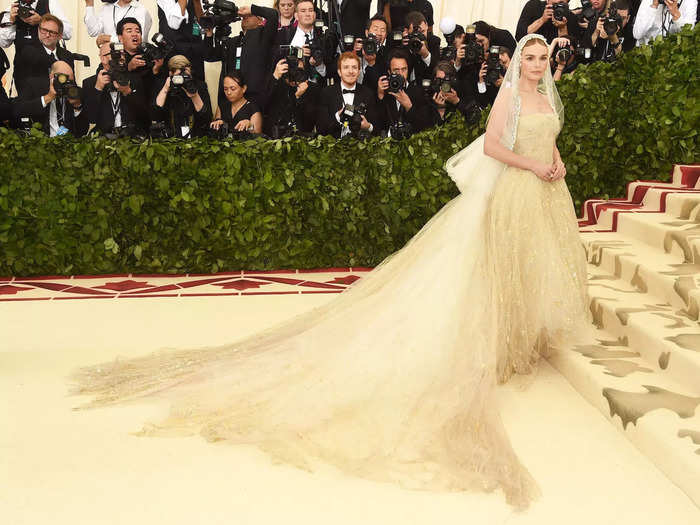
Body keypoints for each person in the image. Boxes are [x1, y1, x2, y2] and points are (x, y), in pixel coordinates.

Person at [70, 34, 589, 510]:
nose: (536, 65)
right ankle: (499, 343)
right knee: (498, 266)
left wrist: (556, 162)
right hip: (519, 188)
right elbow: (495, 146)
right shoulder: (511, 98)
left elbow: (549, 138)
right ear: (520, 60)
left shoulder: (547, 97)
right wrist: (533, 167)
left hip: (547, 188)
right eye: (530, 58)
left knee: (531, 264)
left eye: (543, 59)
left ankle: (524, 339)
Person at [82, 41, 150, 136]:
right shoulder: (89, 83)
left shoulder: (135, 80)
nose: (121, 57)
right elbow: (90, 118)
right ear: (103, 58)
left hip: (131, 139)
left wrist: (128, 92)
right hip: (102, 141)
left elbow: (145, 119)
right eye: (116, 54)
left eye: (123, 54)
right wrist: (98, 89)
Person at [13, 60, 88, 136]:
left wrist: (77, 106)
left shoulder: (72, 92)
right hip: (40, 142)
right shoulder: (33, 86)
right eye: (64, 79)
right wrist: (47, 98)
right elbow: (18, 109)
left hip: (66, 143)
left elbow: (82, 131)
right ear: (52, 76)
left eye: (70, 81)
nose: (67, 84)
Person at [316, 51, 379, 138]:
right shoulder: (326, 93)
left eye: (354, 67)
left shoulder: (368, 94)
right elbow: (321, 129)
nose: (350, 71)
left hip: (361, 148)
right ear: (339, 72)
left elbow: (377, 129)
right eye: (346, 67)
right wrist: (338, 116)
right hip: (333, 148)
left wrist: (368, 127)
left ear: (359, 71)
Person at [12, 13, 73, 96]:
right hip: (36, 105)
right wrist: (57, 64)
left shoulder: (67, 55)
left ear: (60, 36)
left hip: (62, 106)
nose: (47, 35)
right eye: (44, 30)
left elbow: (72, 83)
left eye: (52, 32)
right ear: (38, 30)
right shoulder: (27, 51)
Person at [151, 54, 211, 138]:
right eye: (179, 76)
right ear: (170, 73)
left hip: (196, 137)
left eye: (185, 75)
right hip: (170, 138)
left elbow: (206, 118)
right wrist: (165, 90)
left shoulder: (199, 86)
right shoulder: (162, 85)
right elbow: (155, 115)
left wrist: (194, 95)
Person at [633, 0, 697, 46]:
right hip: (645, 52)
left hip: (672, 55)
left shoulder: (690, 2)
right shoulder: (649, 1)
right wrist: (653, 6)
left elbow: (688, 35)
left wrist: (676, 16)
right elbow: (637, 34)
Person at [83, 0, 152, 42]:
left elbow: (139, 40)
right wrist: (89, 5)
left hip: (134, 59)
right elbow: (93, 32)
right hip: (110, 58)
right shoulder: (106, 8)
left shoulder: (141, 11)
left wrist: (110, 39)